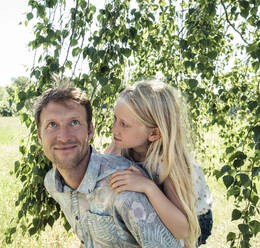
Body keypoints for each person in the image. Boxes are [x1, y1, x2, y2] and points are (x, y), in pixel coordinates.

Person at [35, 83, 183, 248]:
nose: (63, 136)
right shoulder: (53, 183)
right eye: (52, 125)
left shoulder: (124, 189)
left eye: (74, 122)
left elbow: (181, 233)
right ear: (39, 136)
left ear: (90, 131)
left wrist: (150, 187)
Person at [105, 80, 213, 247]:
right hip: (167, 208)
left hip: (194, 218)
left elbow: (182, 230)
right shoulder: (122, 144)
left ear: (154, 133)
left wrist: (148, 187)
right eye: (115, 119)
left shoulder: (169, 163)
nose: (114, 129)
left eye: (124, 124)